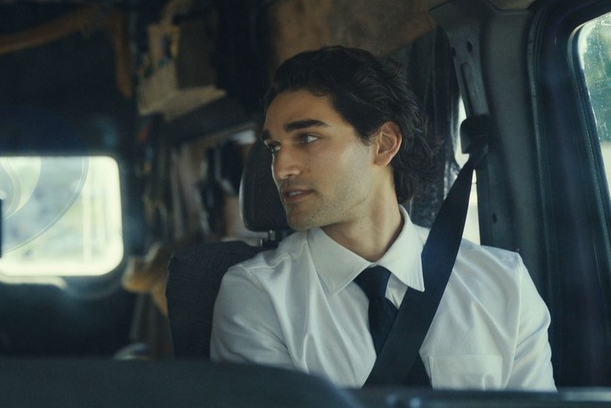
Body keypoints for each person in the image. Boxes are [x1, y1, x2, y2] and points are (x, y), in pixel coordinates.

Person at [209, 46, 554, 390]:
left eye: (308, 138)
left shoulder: (503, 283)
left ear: (384, 143)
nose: (282, 168)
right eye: (274, 148)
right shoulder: (259, 296)